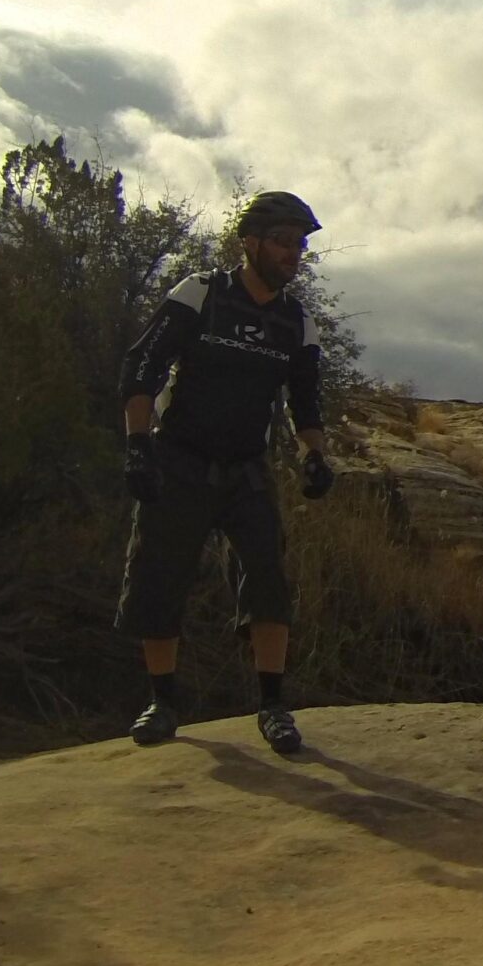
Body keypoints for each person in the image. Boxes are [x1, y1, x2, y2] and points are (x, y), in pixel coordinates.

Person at [115, 190, 337, 755]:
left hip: (246, 467)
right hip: (181, 457)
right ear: (251, 243)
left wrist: (315, 455)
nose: (293, 253)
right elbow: (143, 366)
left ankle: (272, 706)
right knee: (160, 576)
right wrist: (137, 446)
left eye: (301, 244)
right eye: (283, 242)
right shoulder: (203, 293)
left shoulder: (297, 321)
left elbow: (304, 403)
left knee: (267, 576)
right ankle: (162, 702)